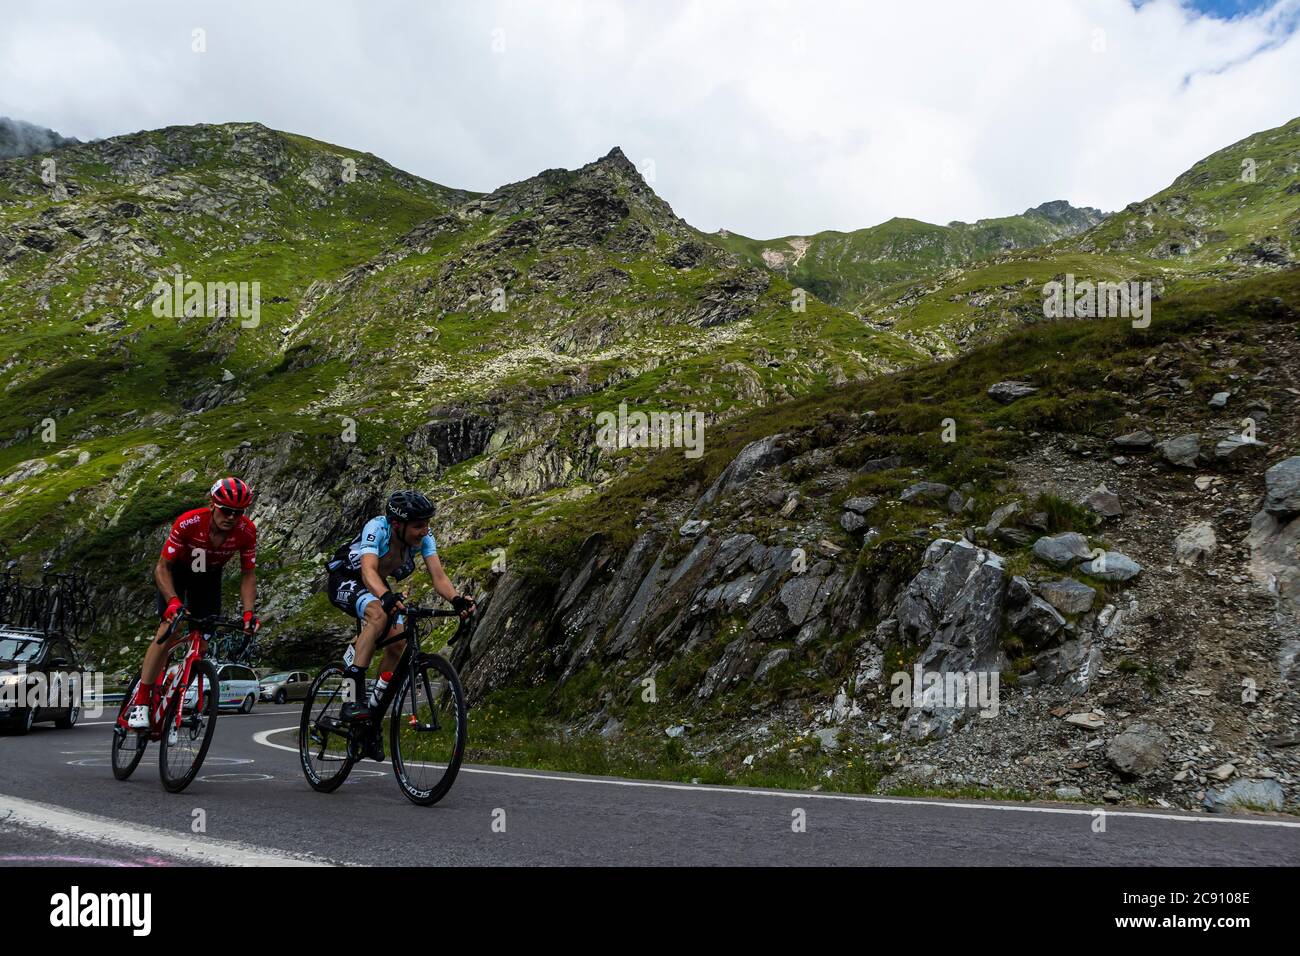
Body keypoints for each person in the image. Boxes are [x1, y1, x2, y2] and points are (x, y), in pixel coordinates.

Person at [326, 490, 474, 738]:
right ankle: (350, 697)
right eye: (418, 525)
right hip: (348, 578)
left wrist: (456, 600)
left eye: (427, 524)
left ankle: (373, 711)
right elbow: (368, 571)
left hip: (377, 584)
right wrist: (385, 597)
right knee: (377, 615)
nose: (424, 530)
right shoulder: (377, 528)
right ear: (397, 524)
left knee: (399, 642)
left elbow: (438, 576)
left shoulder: (424, 538)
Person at [126, 477, 259, 729]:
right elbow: (162, 567)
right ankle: (141, 700)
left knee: (203, 639)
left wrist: (249, 613)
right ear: (213, 504)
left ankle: (179, 682)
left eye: (238, 512)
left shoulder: (246, 531)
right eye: (226, 510)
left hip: (208, 577)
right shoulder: (190, 522)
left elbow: (248, 575)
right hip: (178, 572)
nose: (231, 517)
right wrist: (173, 602)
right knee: (170, 629)